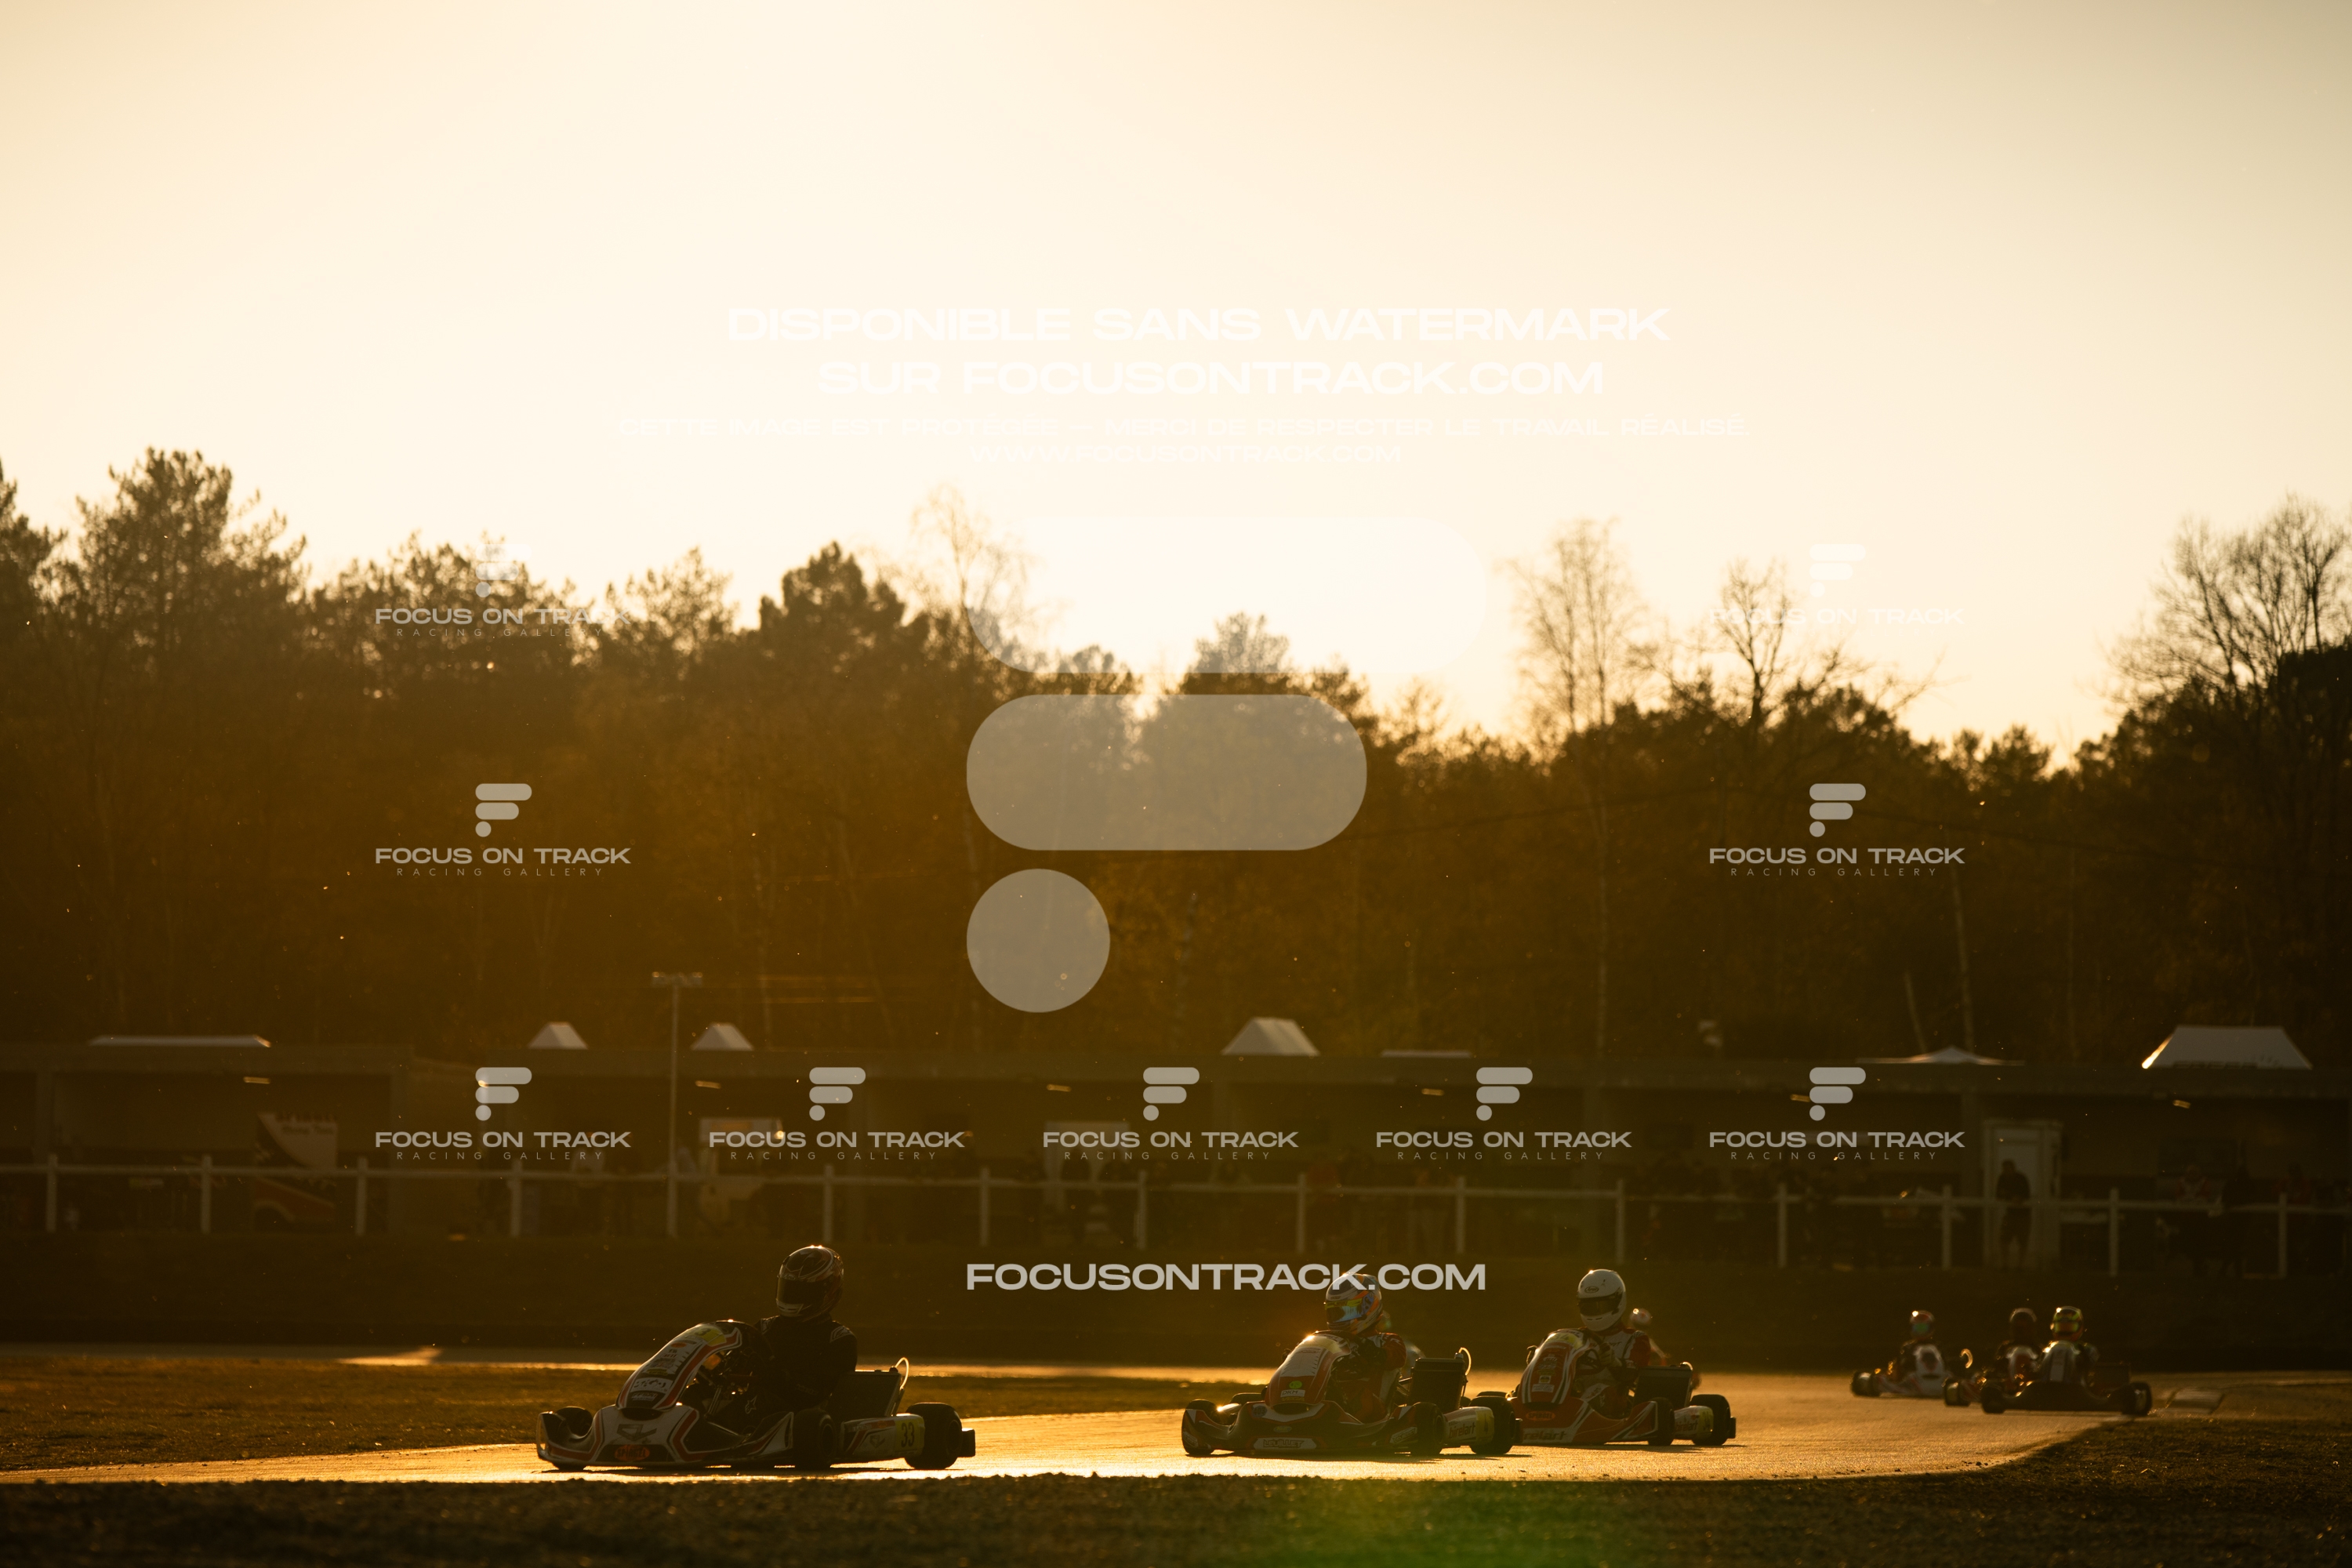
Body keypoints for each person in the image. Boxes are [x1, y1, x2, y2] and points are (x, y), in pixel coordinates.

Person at [728, 1243, 859, 1428]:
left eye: (801, 1291)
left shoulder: (839, 1340)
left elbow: (817, 1391)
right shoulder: (765, 1328)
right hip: (752, 1407)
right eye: (789, 1288)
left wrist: (780, 1377)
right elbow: (736, 1365)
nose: (792, 1296)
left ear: (827, 1292)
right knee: (698, 1394)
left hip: (799, 1419)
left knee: (764, 1402)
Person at [1320, 1276, 1414, 1423]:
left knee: (1361, 1396)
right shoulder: (1329, 1342)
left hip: (1372, 1411)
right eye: (1335, 1313)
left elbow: (1397, 1357)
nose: (1339, 1318)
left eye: (1347, 1311)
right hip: (1331, 1401)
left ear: (1368, 1306)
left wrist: (1376, 1354)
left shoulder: (1385, 1340)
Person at [2040, 1305, 2098, 1388]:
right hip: (2047, 1389)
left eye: (2070, 1327)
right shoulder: (2046, 1350)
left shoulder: (2087, 1349)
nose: (2065, 1332)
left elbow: (2093, 1367)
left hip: (2077, 1390)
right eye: (2061, 1327)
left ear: (2080, 1327)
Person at [1996, 1160, 2033, 1268]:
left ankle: (2020, 1265)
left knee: (2022, 1241)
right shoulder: (2002, 1178)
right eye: (2004, 1170)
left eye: (2008, 1169)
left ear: (2013, 1169)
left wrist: (2015, 1197)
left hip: (2024, 1215)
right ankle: (2005, 1264)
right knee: (2004, 1239)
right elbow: (1998, 1194)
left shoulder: (2021, 1178)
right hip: (2010, 1213)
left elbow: (2026, 1194)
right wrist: (2012, 1197)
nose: (2006, 1172)